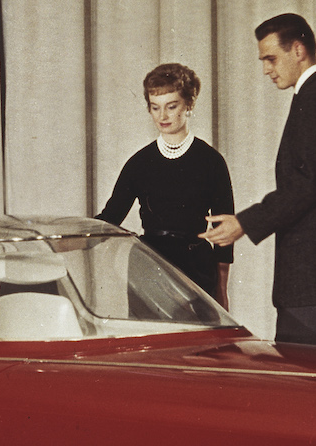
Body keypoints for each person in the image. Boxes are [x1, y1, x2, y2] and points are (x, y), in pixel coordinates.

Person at [199, 13, 316, 348]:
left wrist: (243, 223)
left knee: (304, 383)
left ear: (298, 50)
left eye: (271, 58)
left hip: (314, 278)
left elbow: (306, 183)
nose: (266, 69)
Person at [95, 63, 235, 307]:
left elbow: (224, 232)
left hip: (197, 271)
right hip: (149, 269)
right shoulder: (138, 163)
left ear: (189, 104)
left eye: (172, 106)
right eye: (155, 108)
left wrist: (222, 289)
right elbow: (110, 218)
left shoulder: (211, 161)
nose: (163, 116)